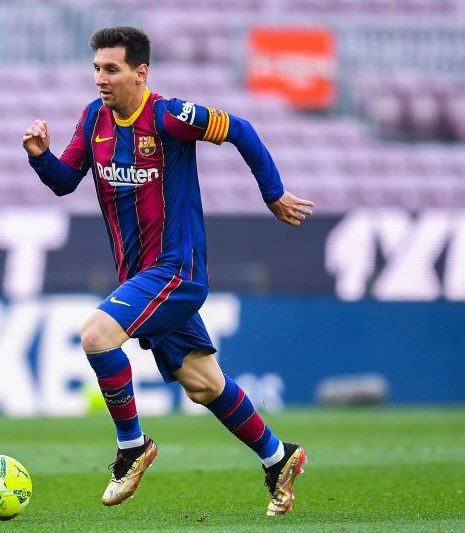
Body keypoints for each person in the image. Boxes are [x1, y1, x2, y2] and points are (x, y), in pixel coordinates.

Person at [22, 26, 314, 516]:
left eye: (111, 69)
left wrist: (273, 194)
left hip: (177, 270)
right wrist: (39, 158)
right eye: (96, 68)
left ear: (141, 73)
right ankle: (278, 456)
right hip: (141, 278)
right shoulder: (94, 118)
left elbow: (240, 129)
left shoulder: (169, 116)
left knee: (96, 335)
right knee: (203, 383)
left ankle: (132, 446)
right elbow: (64, 181)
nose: (100, 78)